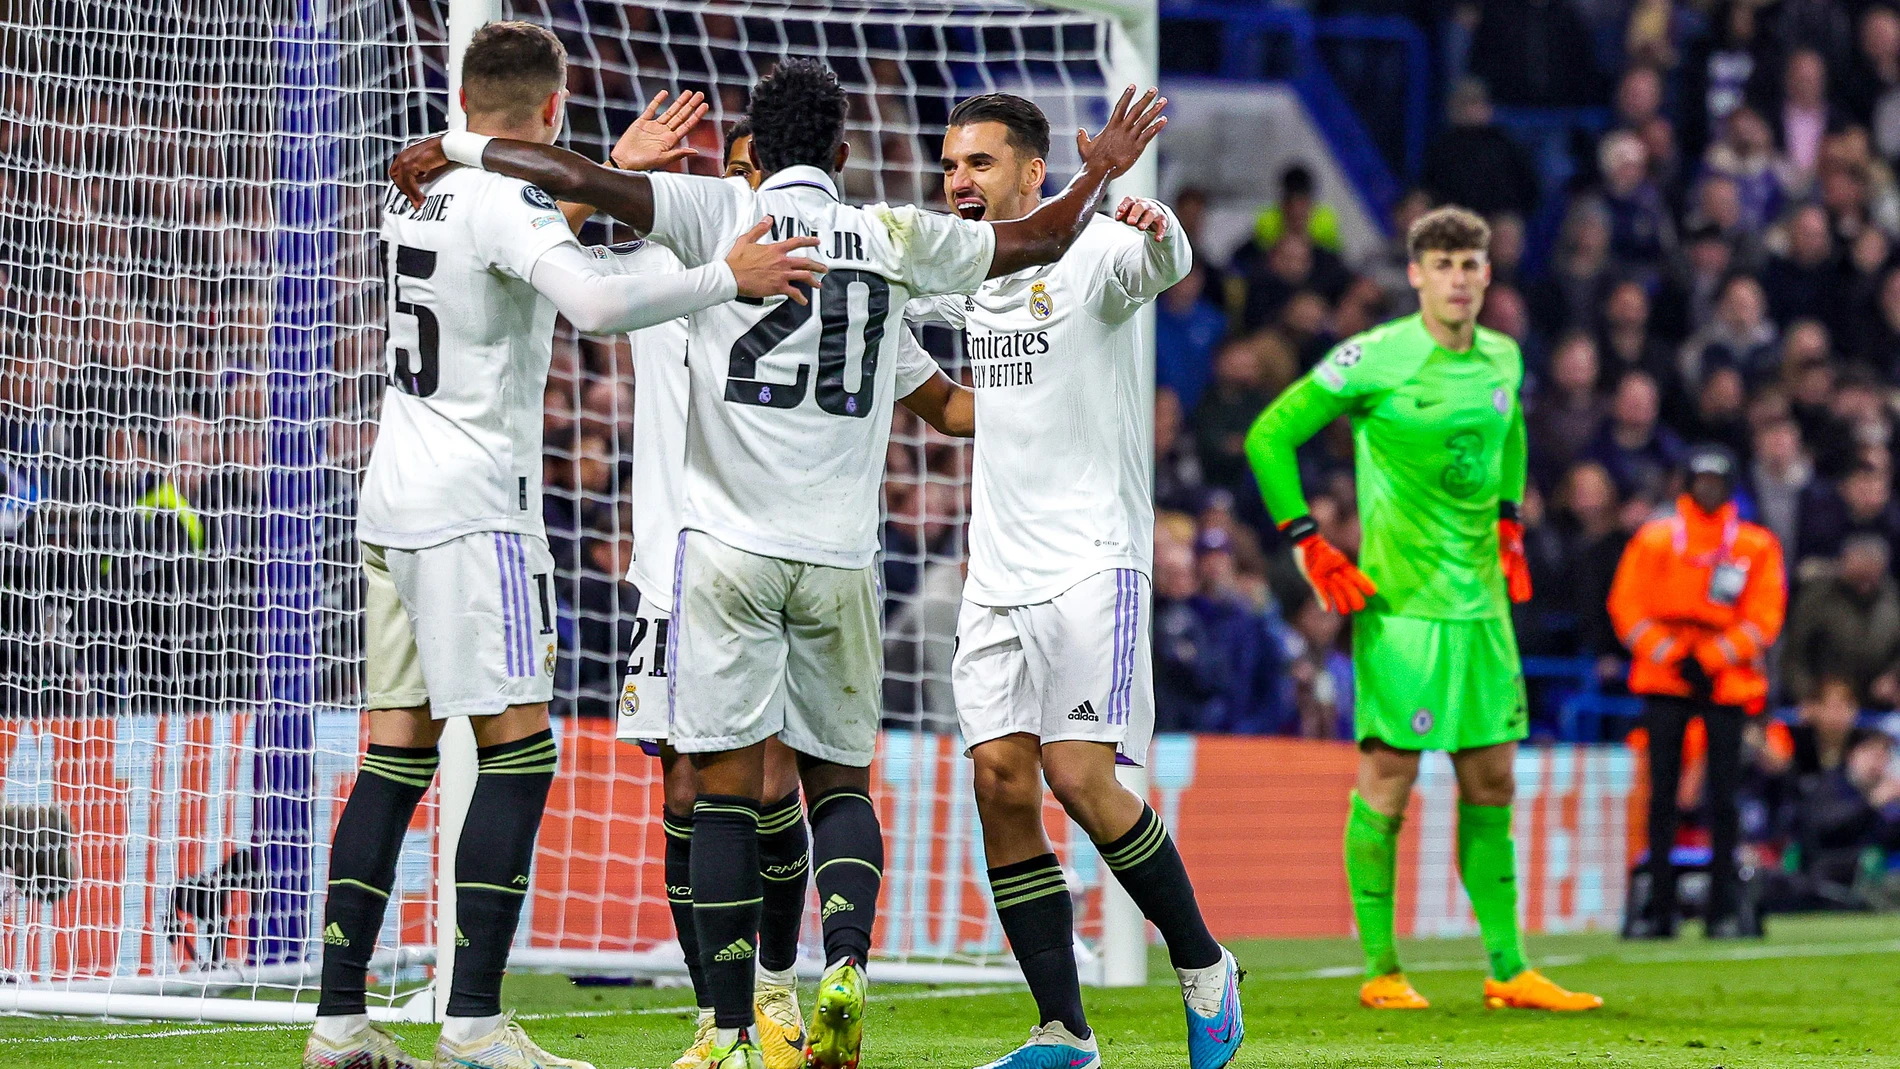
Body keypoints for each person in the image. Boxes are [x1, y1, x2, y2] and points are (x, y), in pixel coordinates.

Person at [393, 62, 1167, 1069]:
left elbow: (568, 174)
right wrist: (1097, 170)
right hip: (839, 558)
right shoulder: (894, 232)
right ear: (843, 154)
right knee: (837, 784)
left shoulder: (714, 208)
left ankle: (725, 1028)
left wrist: (455, 146)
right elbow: (1041, 240)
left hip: (719, 553)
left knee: (717, 791)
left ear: (750, 149)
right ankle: (837, 964)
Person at [308, 24, 823, 1069]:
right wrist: (727, 276)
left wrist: (610, 180)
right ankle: (473, 1026)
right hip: (474, 511)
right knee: (518, 753)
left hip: (390, 502)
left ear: (466, 99)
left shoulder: (415, 184)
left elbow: (503, 237)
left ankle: (337, 1026)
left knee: (396, 759)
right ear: (553, 110)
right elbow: (590, 301)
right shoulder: (505, 198)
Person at [577, 113, 963, 1069]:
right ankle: (723, 1012)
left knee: (768, 782)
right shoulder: (679, 252)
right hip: (674, 559)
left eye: (758, 170)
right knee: (688, 788)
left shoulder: (803, 267)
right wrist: (613, 174)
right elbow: (561, 242)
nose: (750, 191)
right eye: (733, 173)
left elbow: (937, 396)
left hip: (738, 556)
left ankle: (772, 995)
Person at [905, 92, 1243, 1069]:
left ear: (1030, 173)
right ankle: (1063, 1030)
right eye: (949, 164)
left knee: (1077, 773)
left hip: (1093, 559)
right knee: (998, 780)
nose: (957, 181)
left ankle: (1202, 963)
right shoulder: (964, 270)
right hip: (997, 569)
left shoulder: (1092, 255)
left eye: (977, 163)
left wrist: (1157, 218)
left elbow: (1166, 268)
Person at [1244, 206, 1601, 1012]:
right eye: (1442, 264)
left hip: (1482, 611)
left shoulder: (1504, 356)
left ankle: (1508, 968)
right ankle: (1381, 969)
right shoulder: (1375, 357)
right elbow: (1269, 434)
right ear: (1415, 274)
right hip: (1402, 611)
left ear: (1487, 273)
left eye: (1471, 264)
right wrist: (1307, 541)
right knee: (1389, 781)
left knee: (1493, 782)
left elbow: (1510, 438)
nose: (1459, 278)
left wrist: (1509, 519)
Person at [1607, 445, 1787, 939]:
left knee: (1726, 798)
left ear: (1729, 487)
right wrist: (1673, 655)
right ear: (1686, 482)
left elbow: (1765, 615)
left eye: (1717, 480)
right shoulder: (1656, 539)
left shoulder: (1753, 546)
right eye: (1700, 479)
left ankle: (1723, 907)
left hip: (1726, 681)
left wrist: (1712, 658)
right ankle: (1659, 906)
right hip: (1666, 679)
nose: (1707, 487)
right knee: (1662, 795)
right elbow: (1626, 605)